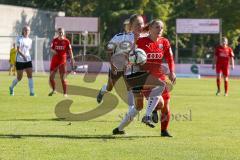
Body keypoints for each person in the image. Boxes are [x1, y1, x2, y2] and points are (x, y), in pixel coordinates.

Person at [112, 19, 176, 137]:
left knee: (162, 105)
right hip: (142, 76)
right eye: (157, 27)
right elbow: (129, 54)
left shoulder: (165, 42)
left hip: (160, 76)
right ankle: (148, 115)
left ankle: (163, 130)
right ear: (150, 29)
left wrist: (172, 72)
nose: (159, 30)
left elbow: (170, 58)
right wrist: (130, 61)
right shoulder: (140, 41)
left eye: (161, 28)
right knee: (157, 98)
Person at [96, 14, 145, 113]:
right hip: (117, 66)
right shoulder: (121, 37)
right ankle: (102, 90)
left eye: (142, 24)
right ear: (131, 25)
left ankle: (130, 111)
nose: (140, 27)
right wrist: (112, 64)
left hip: (132, 68)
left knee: (130, 87)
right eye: (137, 25)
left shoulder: (146, 38)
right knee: (110, 88)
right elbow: (108, 50)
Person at [48, 27, 75, 97]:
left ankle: (65, 93)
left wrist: (72, 58)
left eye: (62, 32)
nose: (61, 33)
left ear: (64, 33)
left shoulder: (67, 41)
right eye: (59, 32)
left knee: (62, 78)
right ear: (57, 33)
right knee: (51, 77)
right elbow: (51, 48)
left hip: (62, 61)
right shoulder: (54, 40)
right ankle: (54, 90)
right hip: (55, 61)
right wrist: (53, 51)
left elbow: (70, 51)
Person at [9, 26, 34, 96]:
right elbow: (18, 49)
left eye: (28, 30)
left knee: (30, 75)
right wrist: (23, 56)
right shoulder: (19, 38)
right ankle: (11, 87)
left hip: (28, 59)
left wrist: (27, 57)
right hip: (20, 60)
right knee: (19, 77)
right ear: (23, 31)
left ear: (30, 31)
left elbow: (28, 50)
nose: (27, 31)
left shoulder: (30, 40)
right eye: (25, 30)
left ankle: (32, 92)